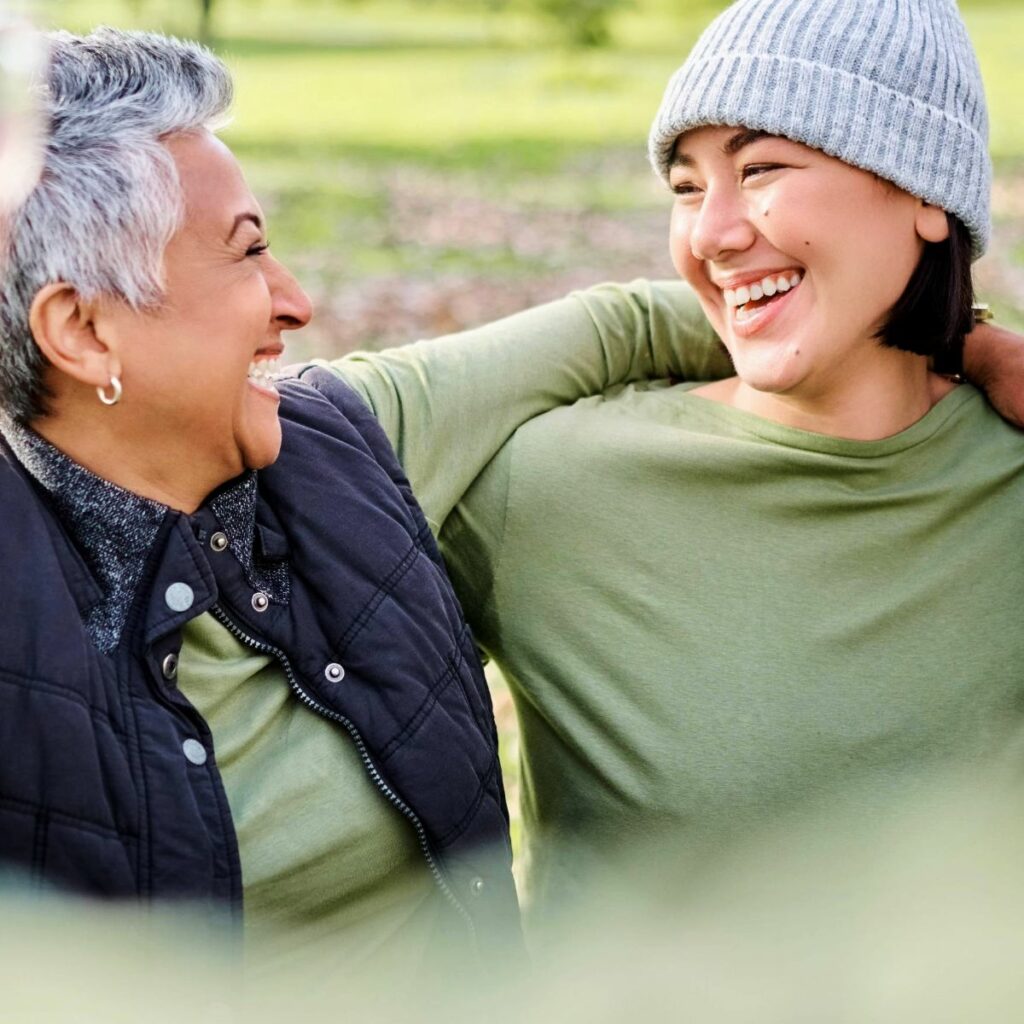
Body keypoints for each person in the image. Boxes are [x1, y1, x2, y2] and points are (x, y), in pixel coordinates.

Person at [0, 27, 731, 971]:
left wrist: (952, 334)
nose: (295, 301)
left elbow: (617, 327)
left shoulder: (336, 443)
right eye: (248, 253)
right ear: (84, 332)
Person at [323, 0, 1024, 934]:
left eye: (763, 168)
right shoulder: (552, 489)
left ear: (926, 190)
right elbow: (274, 452)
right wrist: (620, 322)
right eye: (688, 188)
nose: (713, 233)